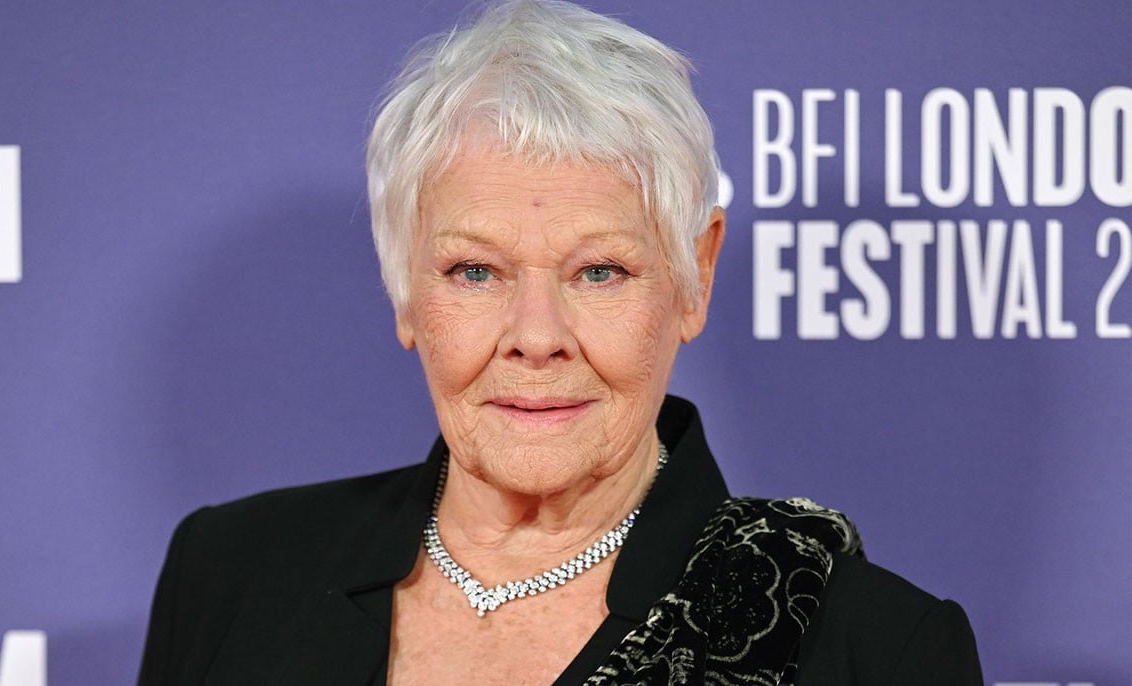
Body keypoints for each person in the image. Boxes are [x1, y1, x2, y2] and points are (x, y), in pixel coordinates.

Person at [138, 1, 984, 684]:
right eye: (474, 271)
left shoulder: (872, 648)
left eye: (600, 272)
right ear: (404, 289)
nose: (536, 338)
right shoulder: (230, 573)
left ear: (694, 276)